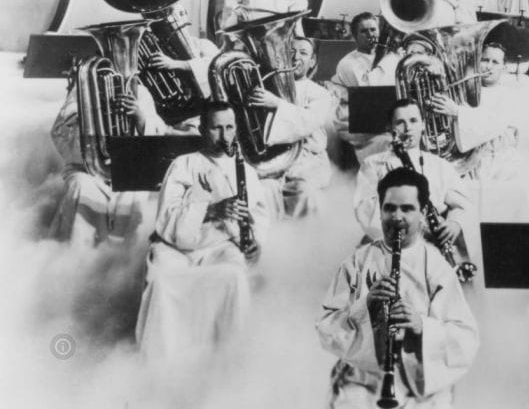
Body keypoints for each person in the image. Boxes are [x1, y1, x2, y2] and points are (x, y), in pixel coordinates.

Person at [316, 168, 479, 408]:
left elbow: (466, 339)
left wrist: (422, 326)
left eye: (407, 209)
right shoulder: (357, 262)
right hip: (364, 382)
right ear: (380, 212)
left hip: (420, 384)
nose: (397, 217)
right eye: (390, 208)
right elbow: (326, 329)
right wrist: (365, 307)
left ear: (423, 213)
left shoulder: (437, 266)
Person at [135, 102, 270, 360]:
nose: (224, 135)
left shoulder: (246, 171)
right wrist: (210, 210)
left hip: (221, 246)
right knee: (162, 282)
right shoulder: (183, 165)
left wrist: (256, 242)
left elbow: (259, 215)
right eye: (216, 128)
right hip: (176, 247)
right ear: (202, 129)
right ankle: (163, 364)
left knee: (234, 276)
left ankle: (227, 359)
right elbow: (166, 221)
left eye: (229, 127)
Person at [48, 75, 168, 245]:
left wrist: (140, 118)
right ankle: (78, 256)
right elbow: (59, 131)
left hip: (129, 168)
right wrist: (85, 117)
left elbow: (157, 137)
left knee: (136, 195)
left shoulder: (140, 92)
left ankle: (122, 259)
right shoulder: (82, 90)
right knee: (82, 189)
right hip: (87, 169)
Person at [353, 99, 473, 249]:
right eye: (400, 122)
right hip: (391, 245)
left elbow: (462, 205)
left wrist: (455, 223)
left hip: (435, 247)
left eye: (413, 121)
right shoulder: (373, 164)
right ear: (390, 127)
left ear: (423, 125)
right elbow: (365, 210)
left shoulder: (440, 165)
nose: (408, 128)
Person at [248, 36, 334, 219]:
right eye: (291, 51)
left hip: (307, 163)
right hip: (271, 161)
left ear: (312, 62)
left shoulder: (320, 93)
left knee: (304, 195)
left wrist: (276, 104)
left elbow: (307, 121)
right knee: (260, 196)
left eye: (303, 53)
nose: (296, 57)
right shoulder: (267, 87)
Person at [427, 42, 521, 181]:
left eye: (495, 62)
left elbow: (493, 124)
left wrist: (457, 111)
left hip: (497, 165)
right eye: (484, 60)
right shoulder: (463, 90)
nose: (488, 66)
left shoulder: (507, 96)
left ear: (504, 68)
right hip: (463, 161)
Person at [328, 12, 399, 163]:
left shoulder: (392, 58)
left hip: (389, 121)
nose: (370, 34)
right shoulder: (348, 62)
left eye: (373, 29)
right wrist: (387, 57)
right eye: (364, 31)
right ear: (355, 36)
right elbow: (370, 92)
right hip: (363, 129)